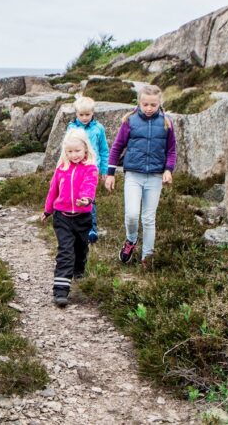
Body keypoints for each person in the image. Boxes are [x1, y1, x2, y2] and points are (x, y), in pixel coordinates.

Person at [104, 85, 177, 267]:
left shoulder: (167, 122)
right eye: (145, 104)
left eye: (153, 104)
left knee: (148, 218)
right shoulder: (130, 121)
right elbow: (117, 147)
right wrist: (110, 173)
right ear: (139, 102)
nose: (149, 108)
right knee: (131, 214)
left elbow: (171, 150)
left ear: (160, 103)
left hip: (155, 177)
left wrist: (168, 170)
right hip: (133, 175)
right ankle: (131, 240)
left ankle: (147, 257)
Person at [42, 130, 99, 307]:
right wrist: (47, 210)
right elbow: (53, 191)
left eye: (77, 151)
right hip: (62, 217)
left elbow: (89, 185)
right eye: (70, 152)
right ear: (65, 152)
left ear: (85, 150)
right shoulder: (61, 169)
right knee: (65, 251)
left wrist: (86, 199)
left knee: (80, 248)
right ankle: (61, 290)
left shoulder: (90, 169)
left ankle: (79, 271)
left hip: (83, 217)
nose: (74, 155)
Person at [65, 96, 110, 244]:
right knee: (75, 197)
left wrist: (104, 170)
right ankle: (75, 227)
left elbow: (104, 150)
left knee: (90, 198)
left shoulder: (99, 128)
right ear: (76, 113)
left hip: (91, 170)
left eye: (87, 114)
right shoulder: (71, 128)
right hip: (74, 169)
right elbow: (66, 149)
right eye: (81, 115)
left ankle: (92, 229)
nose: (84, 118)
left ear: (93, 113)